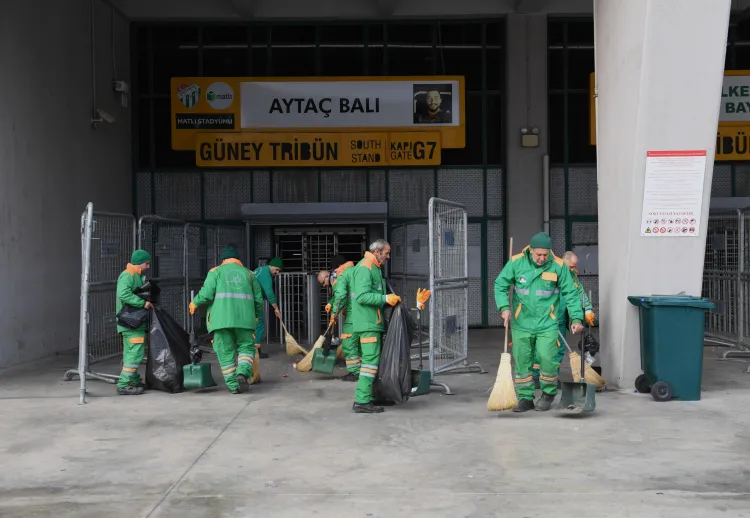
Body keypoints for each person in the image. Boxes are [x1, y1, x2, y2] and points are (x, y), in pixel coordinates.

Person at [494, 232, 584, 412]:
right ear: (531, 250)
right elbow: (500, 285)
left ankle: (548, 394)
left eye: (545, 254)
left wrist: (576, 318)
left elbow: (571, 294)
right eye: (538, 255)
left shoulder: (558, 265)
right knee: (522, 361)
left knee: (547, 358)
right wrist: (504, 308)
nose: (542, 258)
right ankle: (525, 398)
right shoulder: (516, 262)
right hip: (522, 322)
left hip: (547, 322)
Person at [189, 246, 263, 394]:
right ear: (238, 259)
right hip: (245, 320)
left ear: (223, 259)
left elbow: (207, 294)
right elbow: (258, 300)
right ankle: (242, 372)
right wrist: (256, 316)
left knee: (225, 351)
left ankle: (233, 386)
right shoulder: (249, 274)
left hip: (221, 320)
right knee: (246, 349)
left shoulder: (215, 272)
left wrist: (194, 303)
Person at [350, 239, 401, 413]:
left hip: (371, 321)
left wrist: (386, 301)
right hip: (368, 323)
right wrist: (385, 299)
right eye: (386, 253)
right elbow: (362, 296)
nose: (389, 257)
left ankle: (372, 397)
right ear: (377, 252)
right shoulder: (366, 268)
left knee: (373, 362)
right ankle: (362, 401)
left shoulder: (373, 267)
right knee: (370, 363)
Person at [532, 251, 596, 387]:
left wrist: (588, 309)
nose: (573, 269)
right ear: (562, 261)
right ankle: (536, 377)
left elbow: (579, 292)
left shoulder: (572, 276)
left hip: (560, 319)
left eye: (574, 267)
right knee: (541, 349)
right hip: (546, 319)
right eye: (571, 266)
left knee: (558, 350)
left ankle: (552, 377)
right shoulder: (551, 272)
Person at [115, 249, 153, 396]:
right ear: (140, 263)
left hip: (132, 322)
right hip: (131, 322)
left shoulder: (136, 275)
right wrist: (142, 303)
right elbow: (123, 294)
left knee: (130, 353)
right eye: (147, 263)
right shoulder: (128, 275)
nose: (148, 266)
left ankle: (133, 380)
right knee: (135, 354)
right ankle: (124, 384)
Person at [318, 257, 359, 382]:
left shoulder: (338, 277)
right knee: (360, 344)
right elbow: (340, 294)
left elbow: (340, 296)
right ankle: (362, 370)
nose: (324, 285)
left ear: (326, 277)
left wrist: (333, 315)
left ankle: (355, 372)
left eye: (322, 283)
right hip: (360, 313)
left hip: (353, 315)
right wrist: (331, 303)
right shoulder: (351, 271)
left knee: (348, 343)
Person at [253, 257, 284, 359]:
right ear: (270, 265)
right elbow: (269, 293)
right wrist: (276, 308)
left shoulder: (259, 270)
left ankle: (249, 349)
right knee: (259, 324)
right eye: (276, 269)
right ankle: (256, 351)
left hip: (248, 300)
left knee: (251, 325)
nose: (277, 272)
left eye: (279, 271)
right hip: (253, 301)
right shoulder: (266, 274)